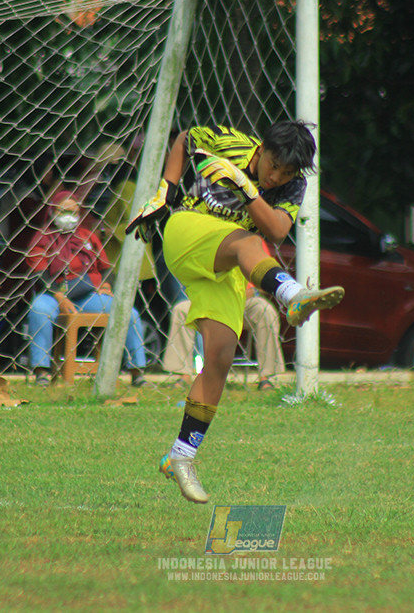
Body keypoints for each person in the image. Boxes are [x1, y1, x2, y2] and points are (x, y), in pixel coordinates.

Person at [126, 120, 344, 504]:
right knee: (247, 243)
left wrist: (247, 191)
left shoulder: (292, 185)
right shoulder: (232, 143)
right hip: (187, 230)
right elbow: (184, 138)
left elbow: (277, 229)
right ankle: (292, 295)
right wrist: (166, 190)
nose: (276, 177)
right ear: (261, 149)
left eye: (286, 173)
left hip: (225, 262)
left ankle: (180, 456)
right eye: (272, 165)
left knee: (220, 360)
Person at [26, 193, 147, 387]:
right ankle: (41, 372)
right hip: (54, 294)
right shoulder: (42, 238)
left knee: (128, 313)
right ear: (52, 212)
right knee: (38, 310)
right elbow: (39, 274)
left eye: (73, 212)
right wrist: (59, 297)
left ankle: (137, 372)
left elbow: (106, 267)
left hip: (88, 294)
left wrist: (107, 285)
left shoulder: (86, 236)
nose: (68, 216)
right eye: (63, 211)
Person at [163, 285, 285, 391]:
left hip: (243, 300)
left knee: (265, 311)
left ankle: (266, 377)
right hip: (210, 299)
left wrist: (251, 292)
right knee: (181, 309)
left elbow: (265, 281)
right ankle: (183, 375)